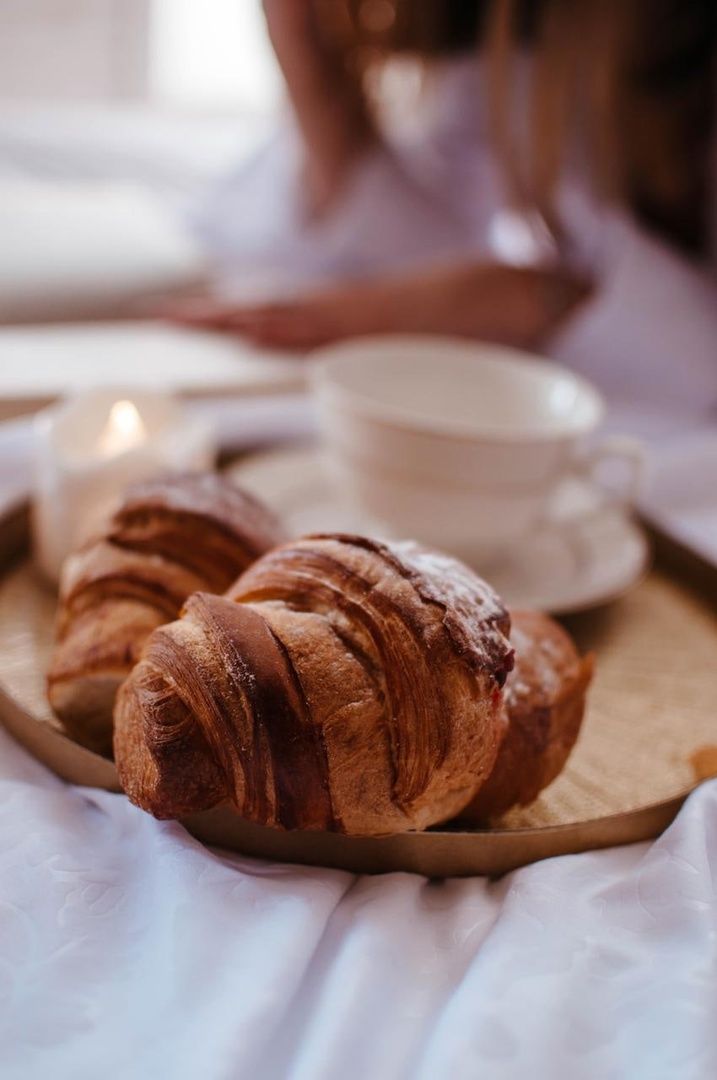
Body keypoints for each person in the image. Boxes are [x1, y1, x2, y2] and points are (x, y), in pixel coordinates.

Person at [167, 0, 717, 430]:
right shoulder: (504, 25)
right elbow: (448, 230)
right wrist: (320, 96)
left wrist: (544, 300)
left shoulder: (673, 46)